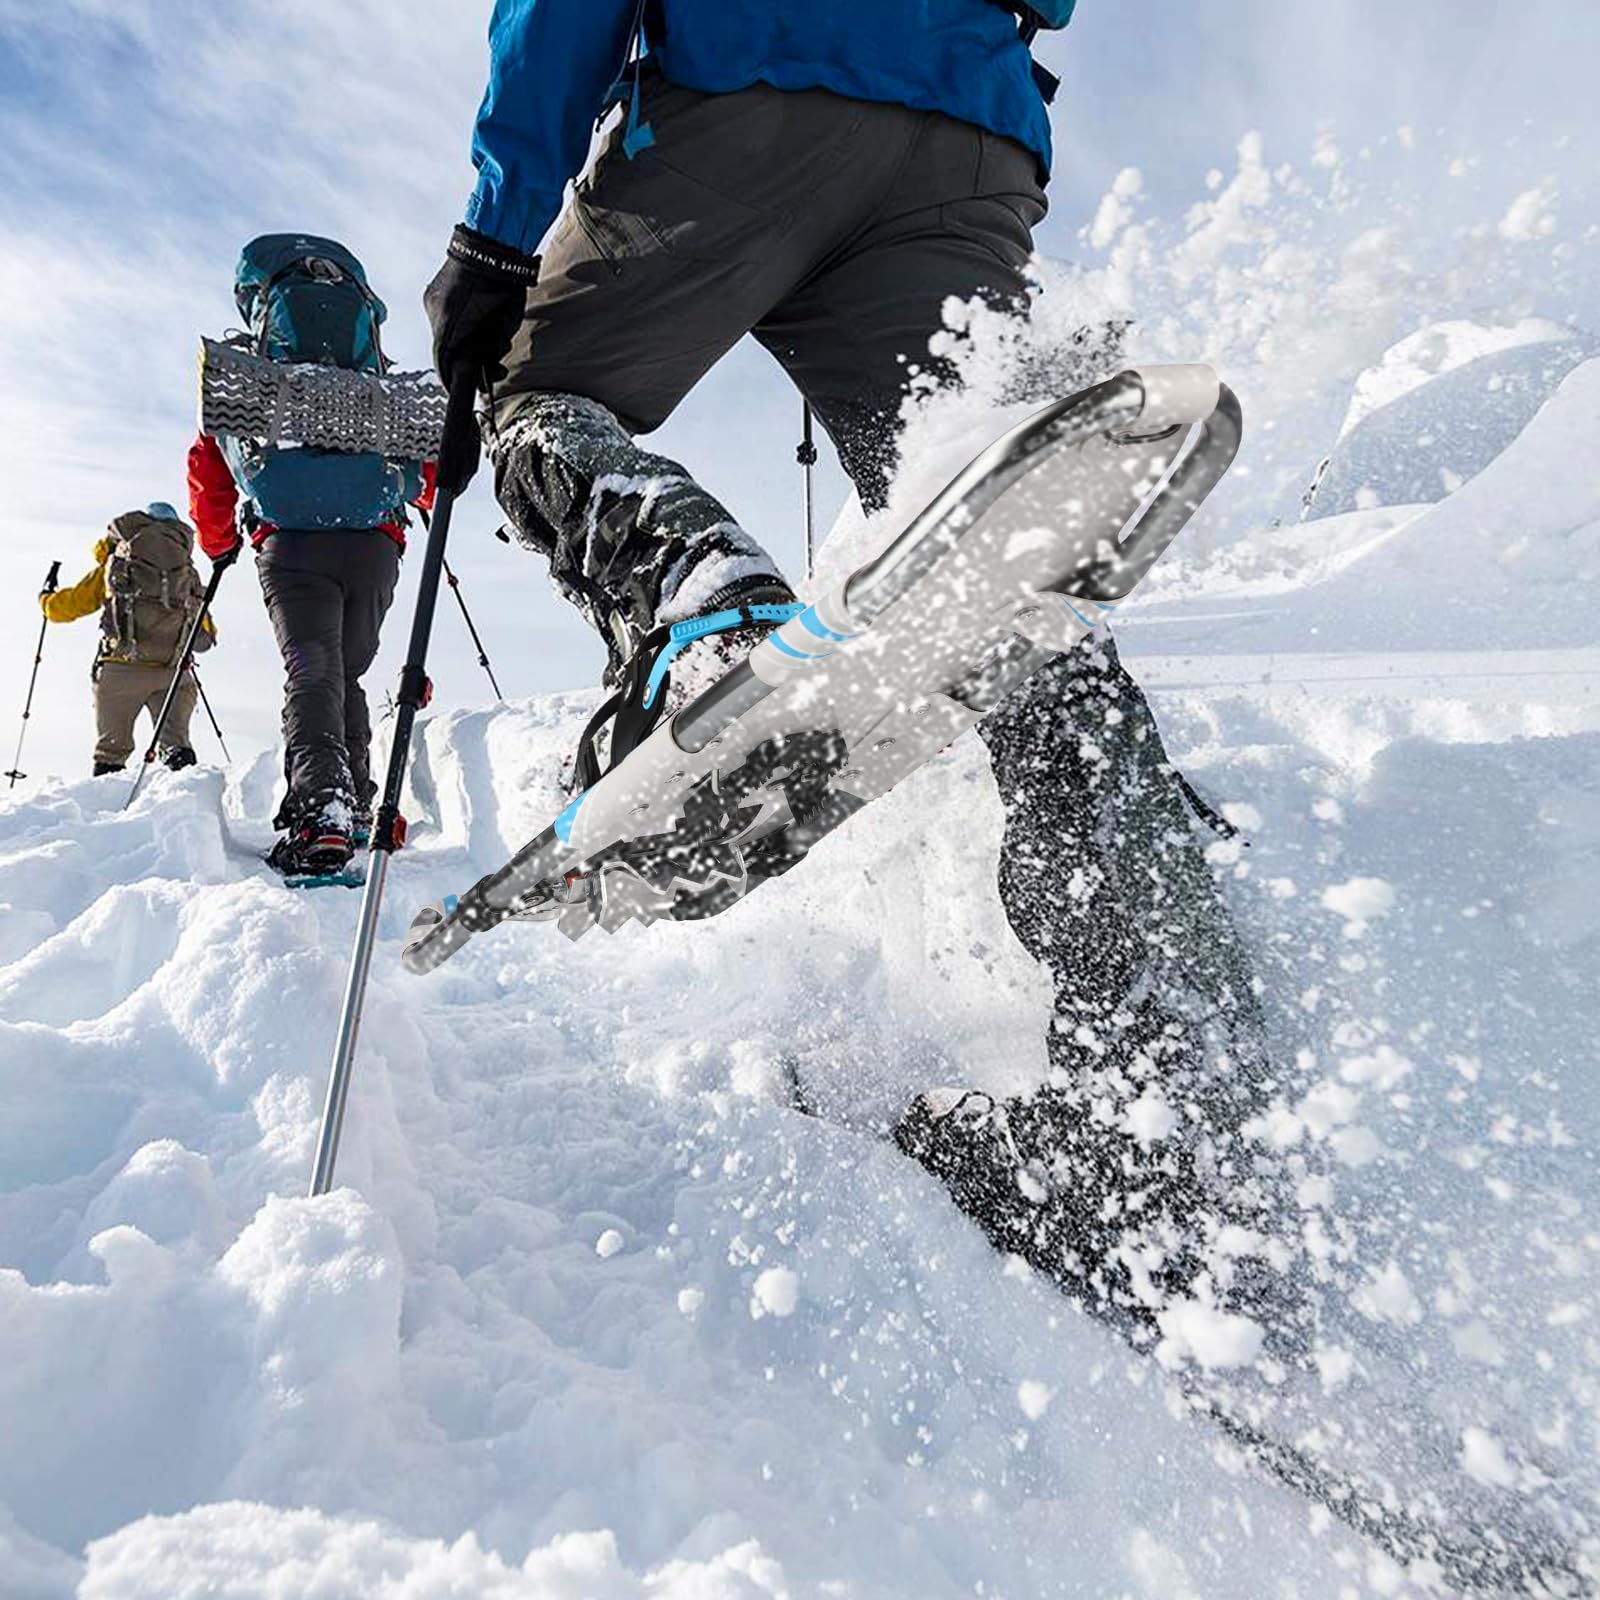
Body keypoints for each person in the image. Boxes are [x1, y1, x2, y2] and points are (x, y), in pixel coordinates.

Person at [424, 2, 1285, 1333]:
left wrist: (494, 234)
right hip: (968, 133)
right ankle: (1161, 1109)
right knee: (1005, 570)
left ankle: (701, 616)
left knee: (542, 394)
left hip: (747, 85)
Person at [188, 234, 436, 878]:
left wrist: (218, 544)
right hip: (376, 543)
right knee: (343, 673)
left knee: (313, 672)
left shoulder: (253, 375)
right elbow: (426, 459)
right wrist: (424, 497)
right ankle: (353, 803)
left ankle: (320, 809)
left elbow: (209, 460)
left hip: (292, 542)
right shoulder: (371, 378)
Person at [41, 502, 212, 776]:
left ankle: (109, 813)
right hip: (173, 673)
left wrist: (46, 601)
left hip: (121, 670)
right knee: (177, 749)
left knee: (111, 752)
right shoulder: (187, 572)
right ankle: (187, 807)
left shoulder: (117, 563)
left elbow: (69, 607)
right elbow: (206, 635)